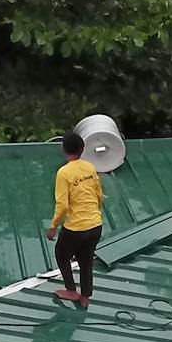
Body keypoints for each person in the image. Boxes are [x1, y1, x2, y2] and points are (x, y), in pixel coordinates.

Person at [46, 130, 104, 305]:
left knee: (62, 255)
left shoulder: (63, 173)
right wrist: (93, 213)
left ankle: (71, 291)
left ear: (63, 150)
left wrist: (53, 227)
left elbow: (62, 205)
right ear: (83, 149)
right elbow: (99, 195)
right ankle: (85, 296)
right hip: (95, 226)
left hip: (75, 228)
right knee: (86, 260)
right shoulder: (90, 167)